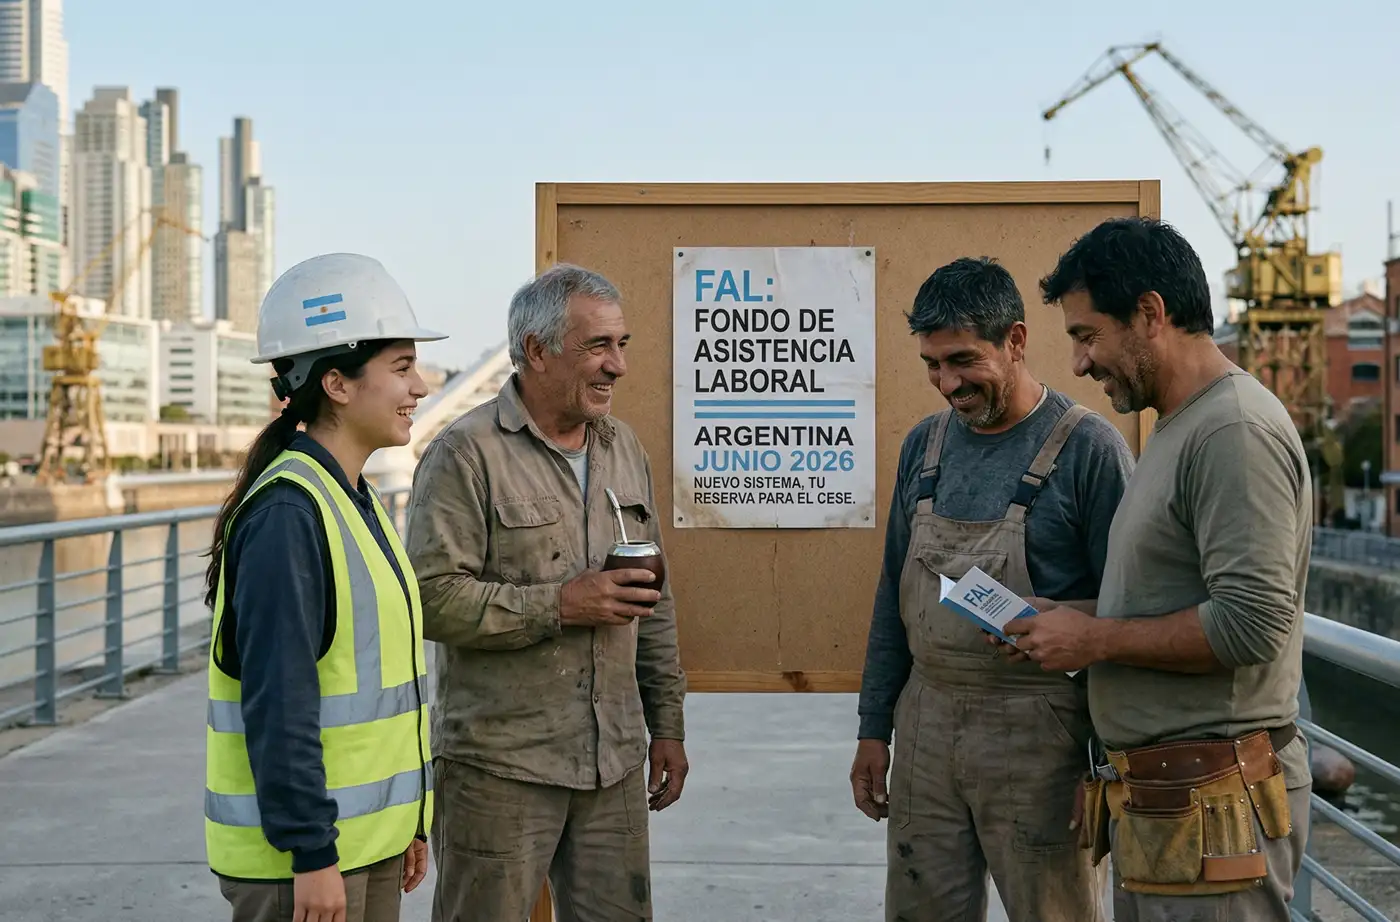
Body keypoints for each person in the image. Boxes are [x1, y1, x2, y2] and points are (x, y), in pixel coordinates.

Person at [1017, 216, 1313, 922]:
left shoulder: (1233, 431)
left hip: (1216, 813)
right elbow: (1172, 596)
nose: (1081, 365)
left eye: (1087, 336)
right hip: (1177, 814)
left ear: (1150, 314)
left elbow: (1250, 625)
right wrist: (1067, 622)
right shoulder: (1182, 426)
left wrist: (1093, 643)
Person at [850, 256, 1134, 922]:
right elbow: (893, 595)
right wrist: (873, 730)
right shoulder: (924, 446)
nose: (947, 382)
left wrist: (1103, 769)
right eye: (932, 364)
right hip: (927, 722)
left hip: (1043, 738)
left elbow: (1130, 615)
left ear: (1016, 341)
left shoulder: (1090, 449)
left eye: (962, 360)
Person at [403, 262, 689, 921]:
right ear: (537, 351)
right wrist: (559, 605)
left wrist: (667, 725)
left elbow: (656, 599)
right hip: (500, 770)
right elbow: (430, 598)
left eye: (622, 345)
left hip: (613, 764)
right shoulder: (464, 454)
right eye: (598, 346)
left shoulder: (624, 450)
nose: (617, 365)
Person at [202, 253, 445, 922]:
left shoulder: (353, 500)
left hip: (361, 847)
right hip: (302, 865)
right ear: (337, 383)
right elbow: (280, 703)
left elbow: (375, 686)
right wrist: (310, 853)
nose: (420, 387)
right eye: (401, 368)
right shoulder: (289, 514)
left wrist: (409, 822)